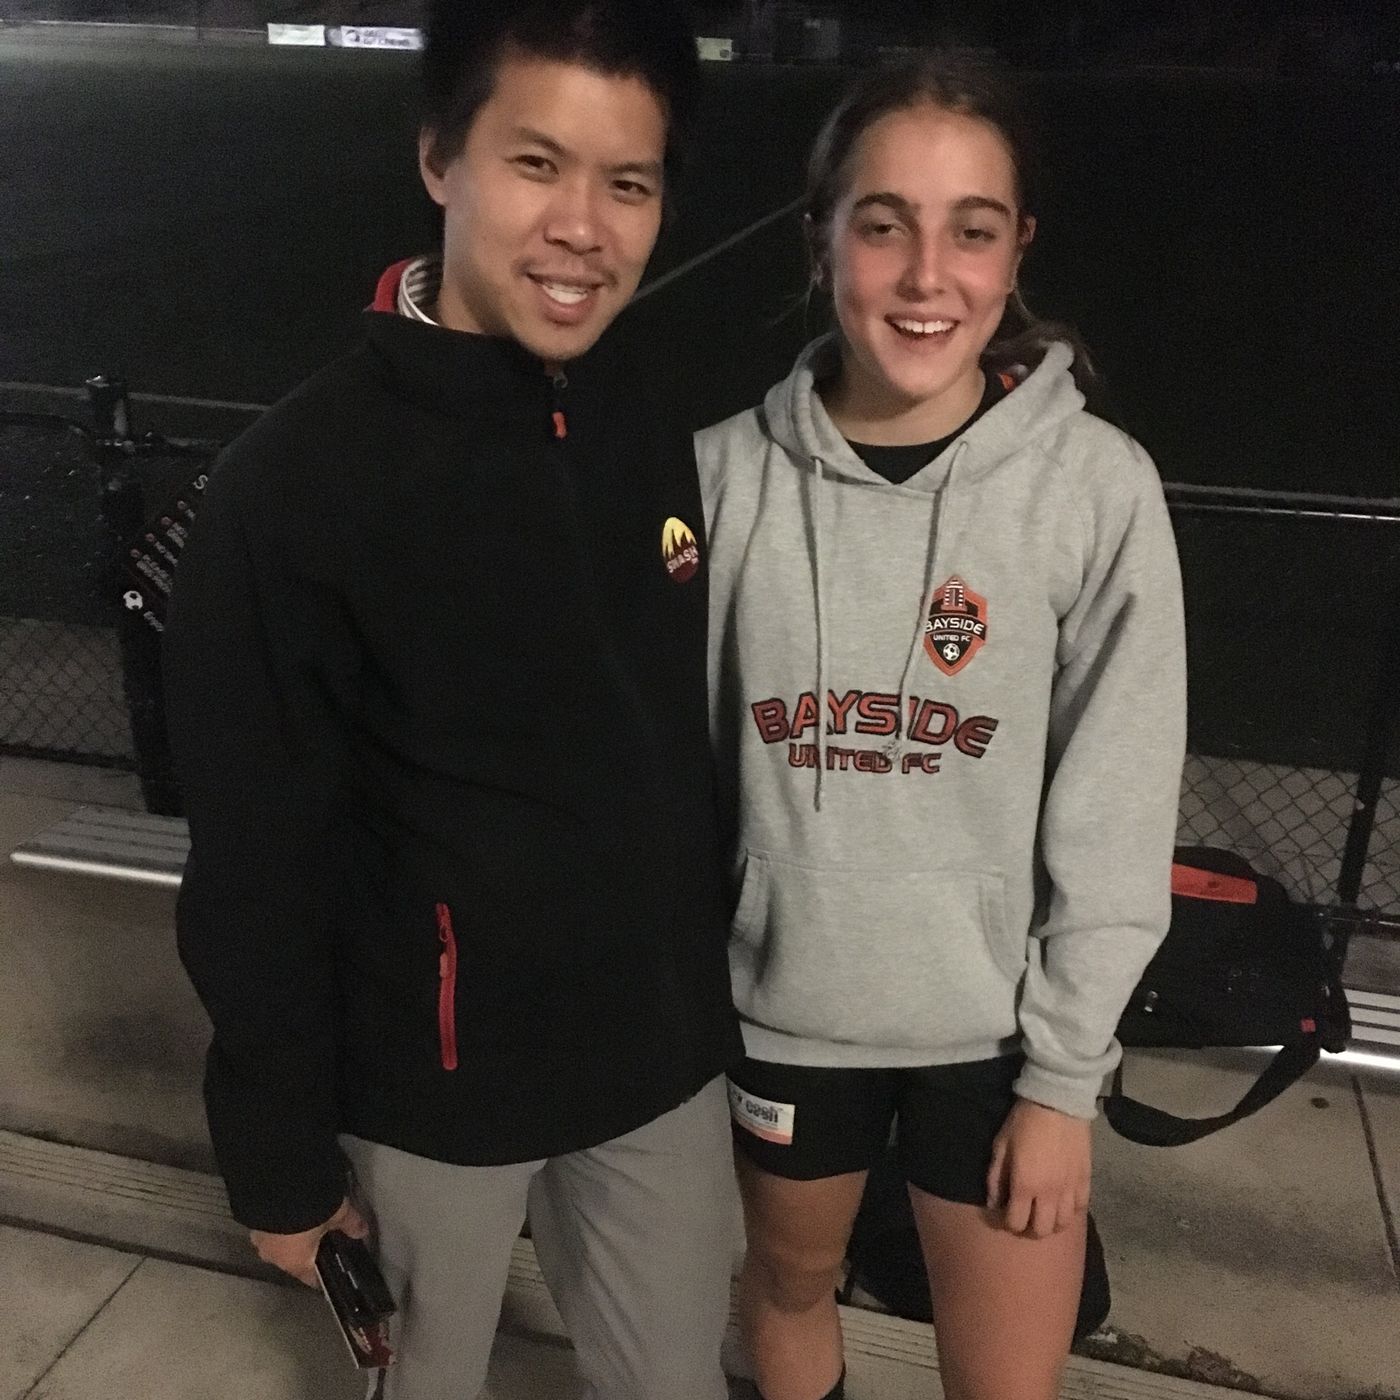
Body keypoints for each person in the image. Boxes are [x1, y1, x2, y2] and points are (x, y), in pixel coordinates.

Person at [164, 4, 742, 1398]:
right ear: (440, 158)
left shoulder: (649, 404)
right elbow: (254, 857)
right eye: (537, 163)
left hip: (655, 1060)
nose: (583, 229)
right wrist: (280, 1157)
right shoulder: (293, 488)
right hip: (429, 1095)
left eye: (628, 183)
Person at [697, 58, 1186, 1400]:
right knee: (786, 1295)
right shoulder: (720, 482)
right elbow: (667, 780)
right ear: (821, 239)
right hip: (784, 1024)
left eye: (970, 229)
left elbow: (1117, 806)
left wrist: (1066, 1083)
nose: (926, 275)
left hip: (1003, 1045)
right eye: (883, 223)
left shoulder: (1094, 490)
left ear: (1017, 249)